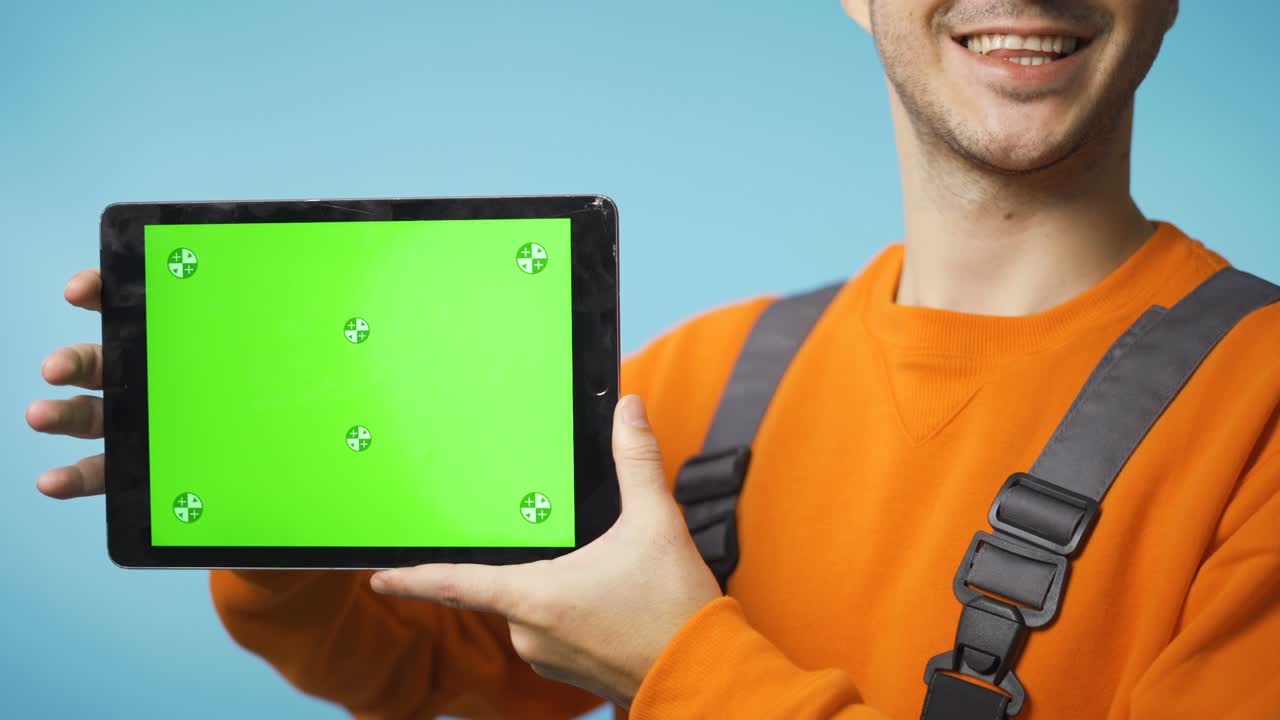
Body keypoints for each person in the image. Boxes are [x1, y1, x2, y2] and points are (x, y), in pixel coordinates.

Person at [27, 0, 1280, 717]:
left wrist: (678, 668)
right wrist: (268, 496)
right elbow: (425, 666)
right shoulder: (699, 384)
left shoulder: (1258, 407)